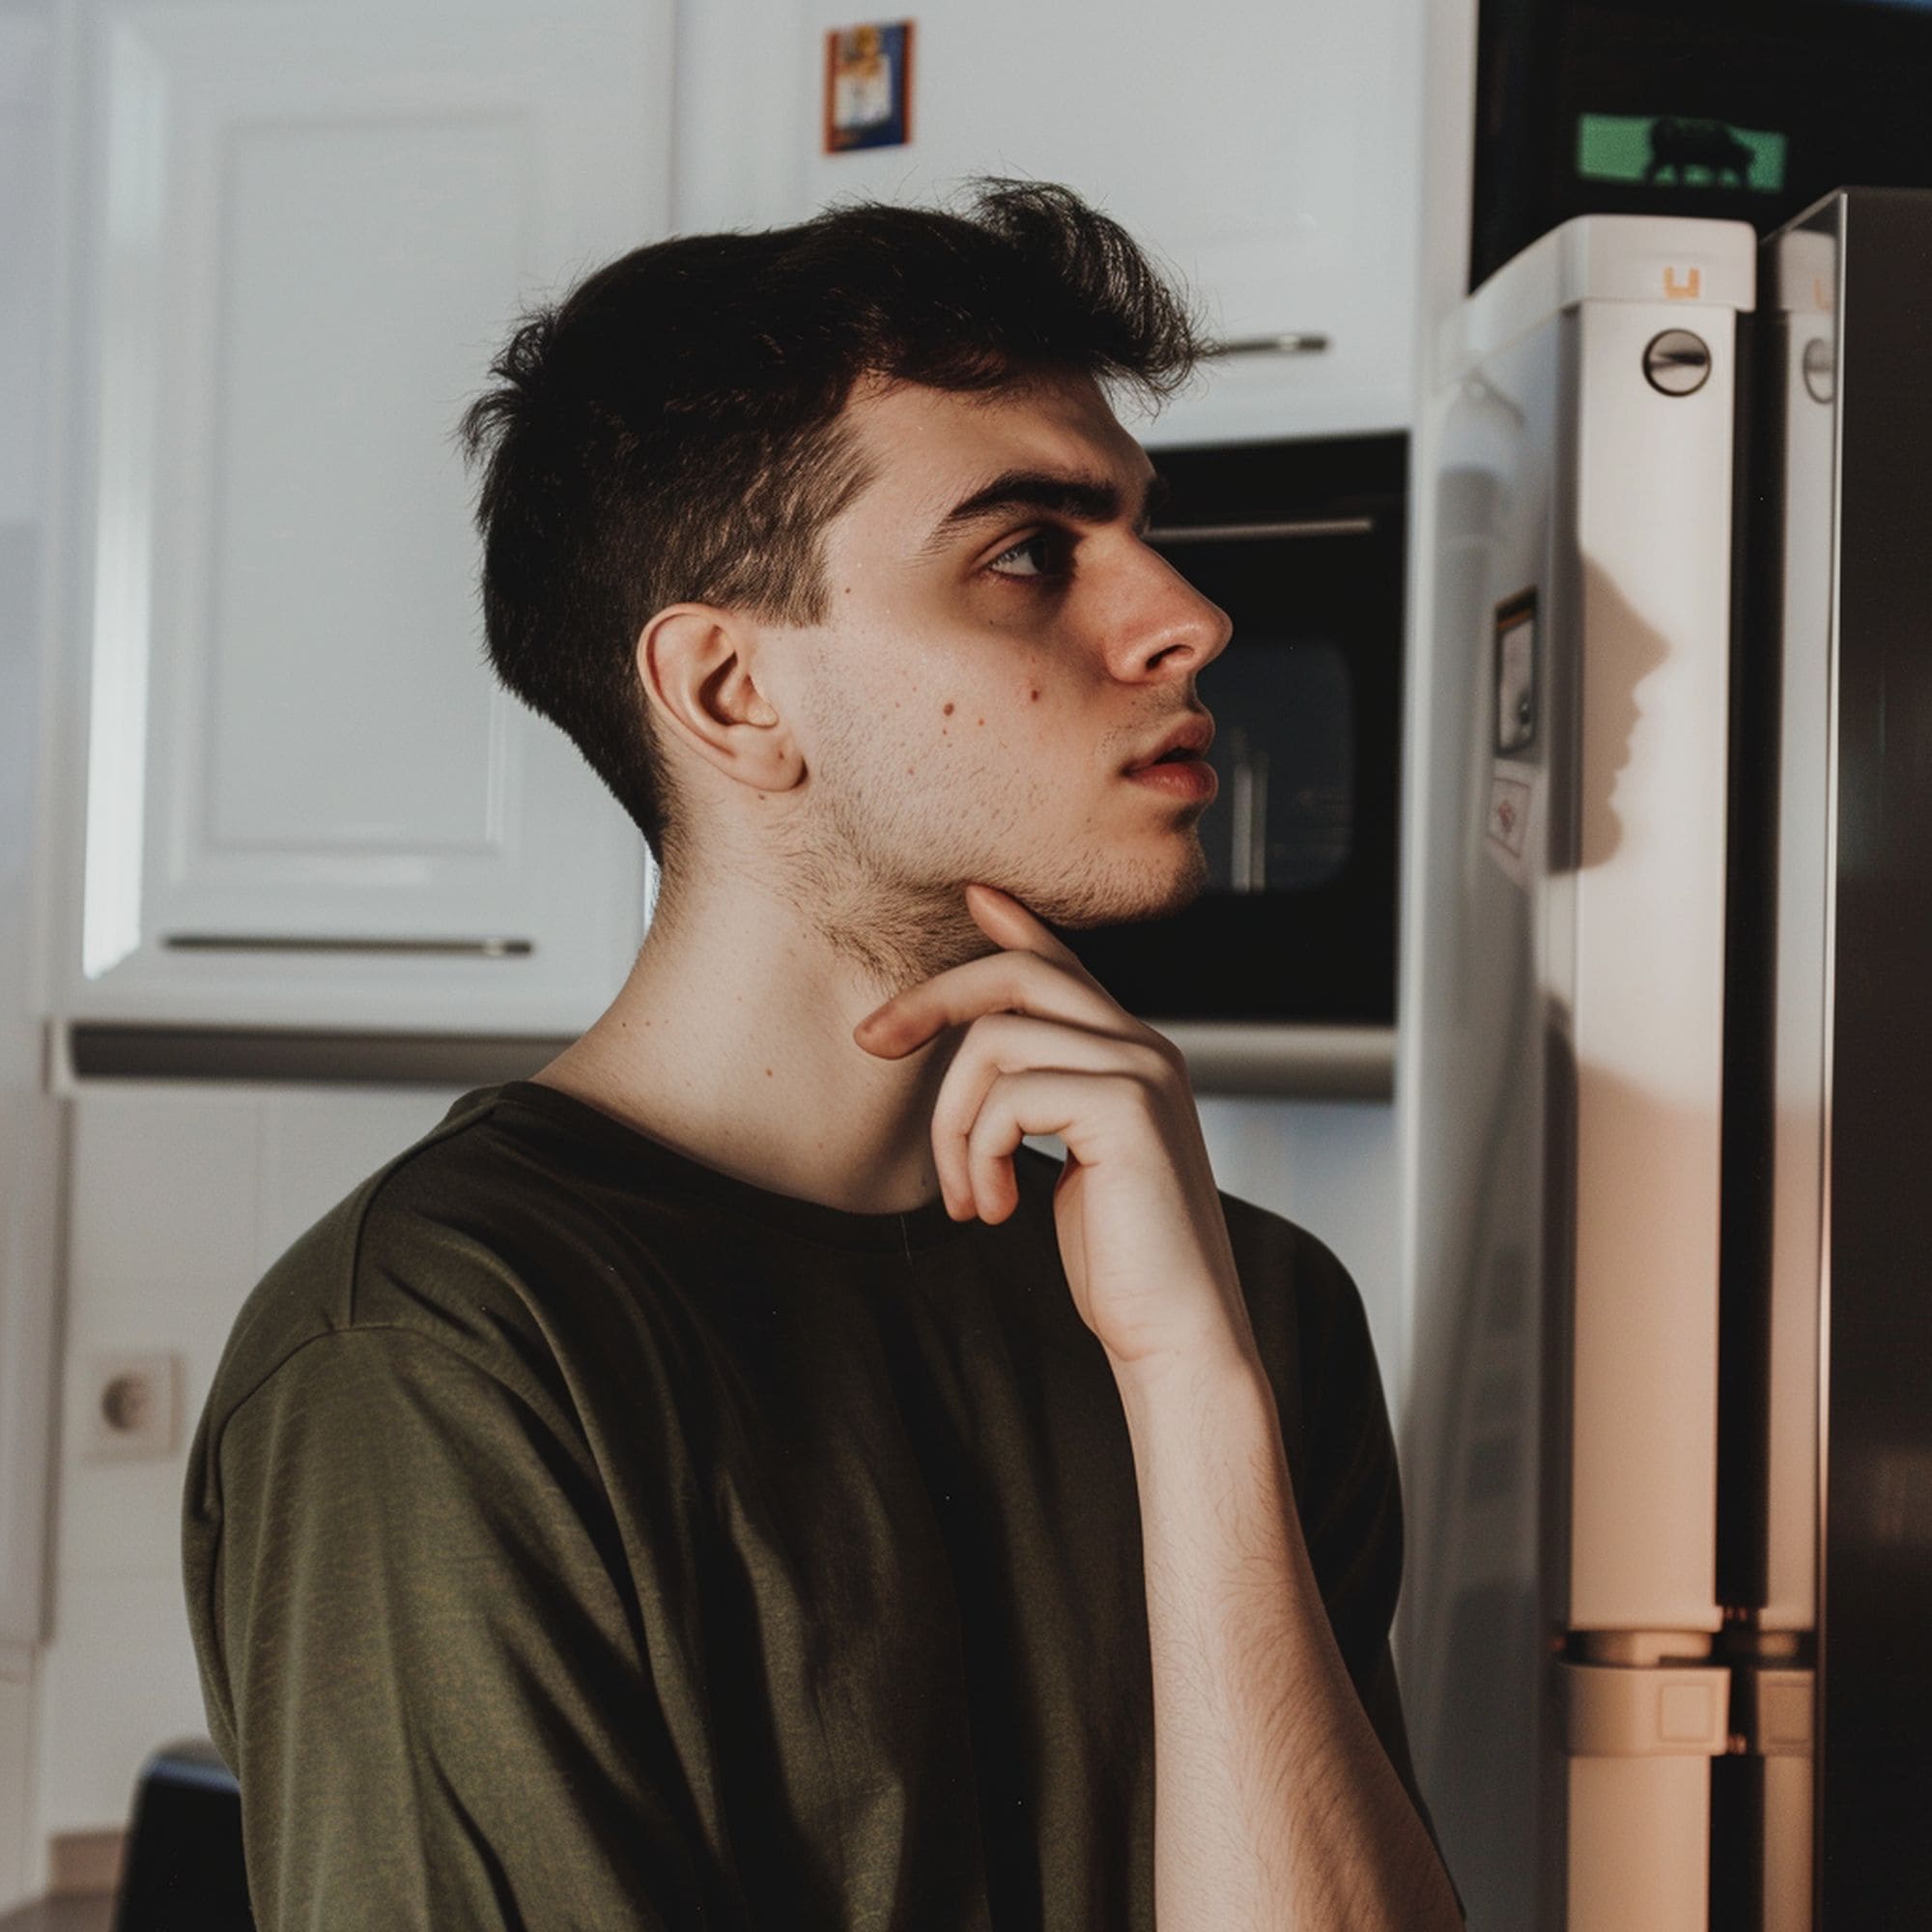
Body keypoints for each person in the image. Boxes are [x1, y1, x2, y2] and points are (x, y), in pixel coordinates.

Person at [182, 179, 1463, 1930]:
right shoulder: (441, 1353)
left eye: (1142, 531)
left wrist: (1192, 1385)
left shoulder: (1254, 1310)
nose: (1186, 616)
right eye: (1030, 553)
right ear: (730, 693)